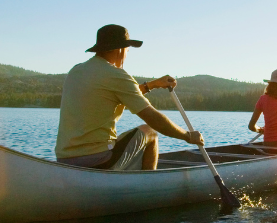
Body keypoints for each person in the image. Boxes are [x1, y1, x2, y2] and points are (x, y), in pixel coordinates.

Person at [55, 24, 204, 170]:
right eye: (127, 49)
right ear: (120, 49)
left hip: (64, 160)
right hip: (98, 161)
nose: (126, 54)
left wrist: (152, 85)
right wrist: (187, 136)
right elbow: (152, 117)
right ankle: (148, 185)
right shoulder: (115, 74)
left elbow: (117, 95)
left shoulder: (76, 71)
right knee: (150, 132)